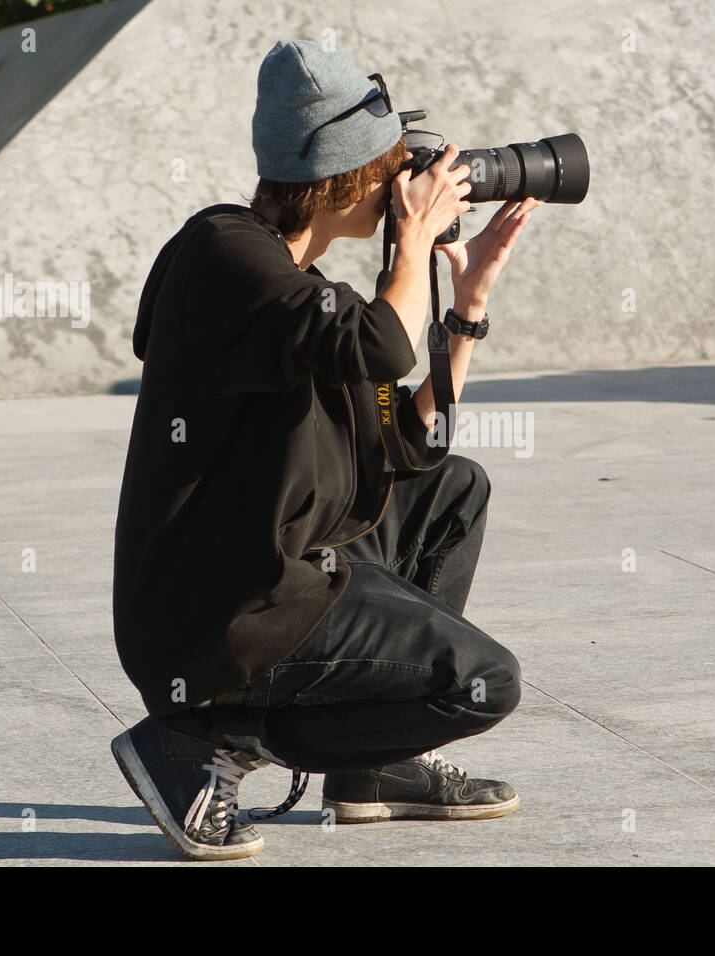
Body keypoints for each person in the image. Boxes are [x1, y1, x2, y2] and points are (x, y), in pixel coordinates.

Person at [108, 39, 537, 860]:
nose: (406, 184)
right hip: (223, 609)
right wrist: (412, 250)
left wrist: (469, 307)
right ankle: (205, 741)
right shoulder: (224, 255)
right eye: (390, 167)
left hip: (286, 557)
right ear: (346, 176)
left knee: (453, 489)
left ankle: (377, 767)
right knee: (487, 684)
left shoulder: (310, 300)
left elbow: (414, 445)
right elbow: (378, 346)